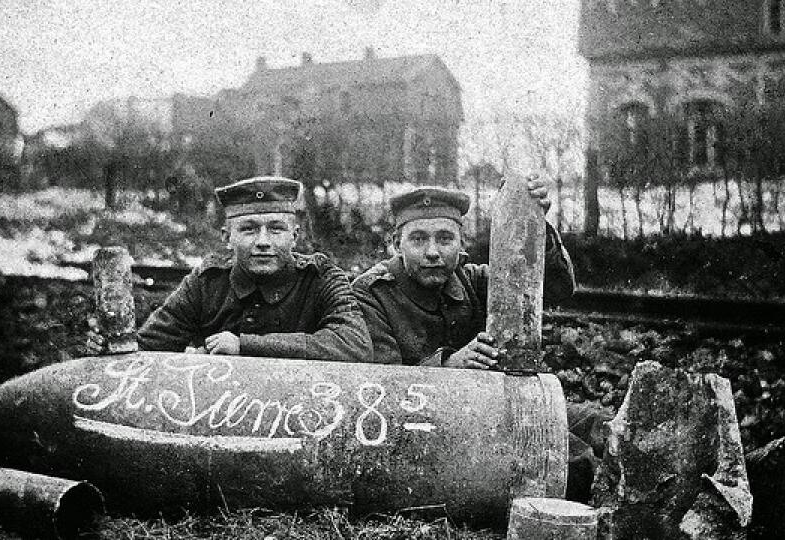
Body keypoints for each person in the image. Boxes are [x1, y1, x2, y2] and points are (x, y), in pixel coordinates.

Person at [351, 178, 608, 502]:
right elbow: (379, 388)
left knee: (601, 424)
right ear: (395, 243)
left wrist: (536, 225)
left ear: (461, 244)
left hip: (497, 404)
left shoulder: (472, 279)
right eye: (418, 239)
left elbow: (557, 290)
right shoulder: (371, 293)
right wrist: (449, 366)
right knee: (575, 461)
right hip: (427, 424)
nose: (432, 252)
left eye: (445, 239)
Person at [123, 176, 372, 362]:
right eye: (248, 229)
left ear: (294, 236)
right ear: (227, 237)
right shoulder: (206, 283)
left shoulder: (321, 278)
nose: (263, 241)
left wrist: (246, 346)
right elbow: (146, 346)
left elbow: (355, 346)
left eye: (276, 229)